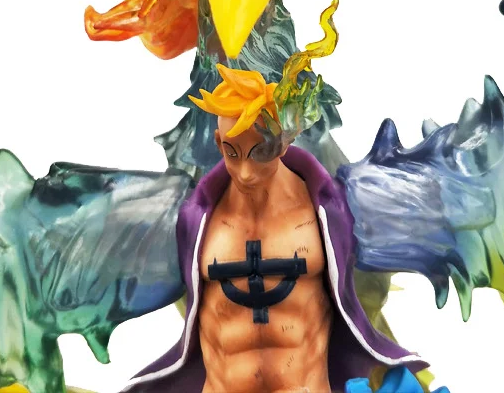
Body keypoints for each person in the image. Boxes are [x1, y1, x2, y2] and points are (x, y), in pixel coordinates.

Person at [121, 65, 429, 393]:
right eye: (232, 152)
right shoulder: (193, 221)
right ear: (218, 142)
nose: (246, 172)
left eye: (260, 152)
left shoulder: (331, 211)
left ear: (284, 140)